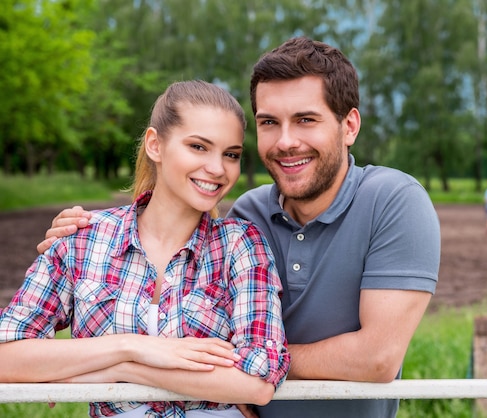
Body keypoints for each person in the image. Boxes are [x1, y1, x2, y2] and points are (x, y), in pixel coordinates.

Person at [36, 37, 441, 418]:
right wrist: (79, 239)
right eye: (269, 122)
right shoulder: (249, 215)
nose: (285, 141)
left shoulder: (393, 200)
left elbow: (376, 358)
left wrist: (251, 368)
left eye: (305, 120)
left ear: (349, 126)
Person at [1, 80, 290, 417]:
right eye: (198, 147)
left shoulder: (241, 244)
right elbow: (8, 354)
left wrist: (124, 371)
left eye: (231, 155)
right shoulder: (82, 239)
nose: (217, 168)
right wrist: (132, 347)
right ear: (155, 145)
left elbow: (258, 380)